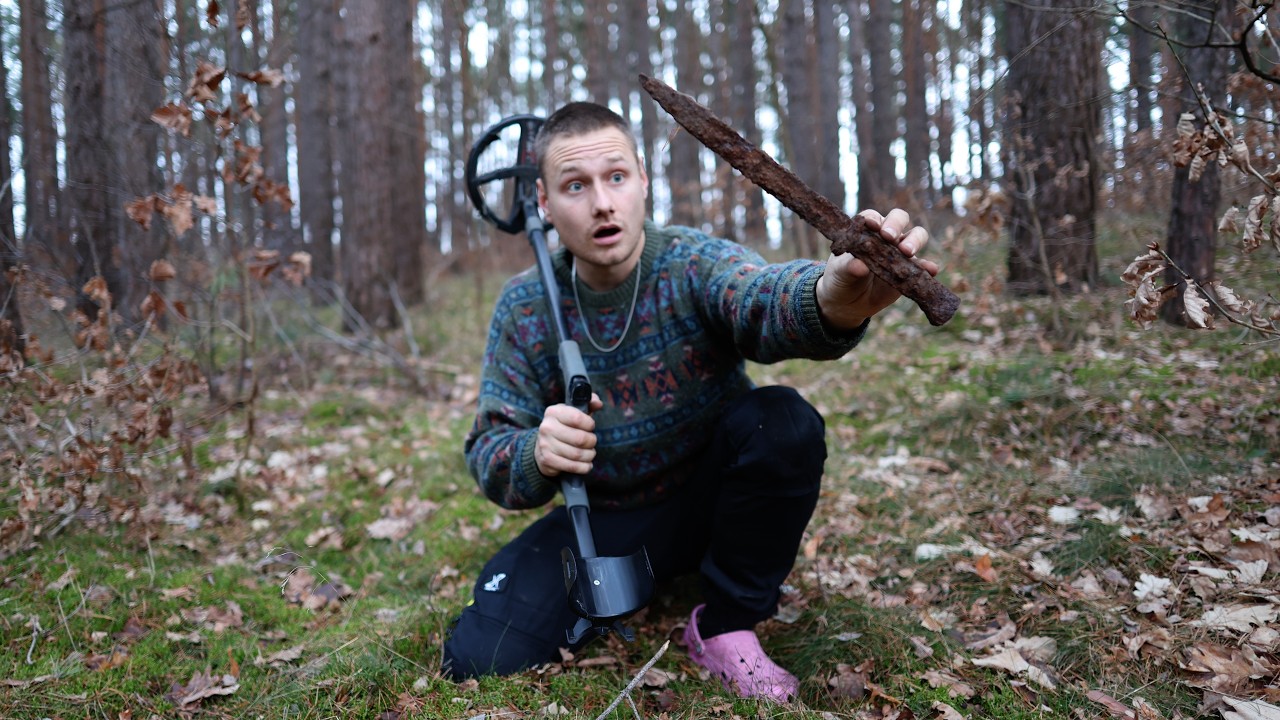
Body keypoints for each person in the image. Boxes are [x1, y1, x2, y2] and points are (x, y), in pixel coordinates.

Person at [442, 101, 937, 703]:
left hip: (714, 497)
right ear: (543, 202)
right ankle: (651, 576)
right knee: (479, 654)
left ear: (643, 181)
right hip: (604, 518)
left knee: (783, 423)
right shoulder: (524, 308)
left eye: (616, 177)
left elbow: (758, 298)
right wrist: (536, 453)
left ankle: (727, 622)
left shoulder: (691, 262)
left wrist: (828, 300)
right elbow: (489, 449)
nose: (602, 203)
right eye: (575, 186)